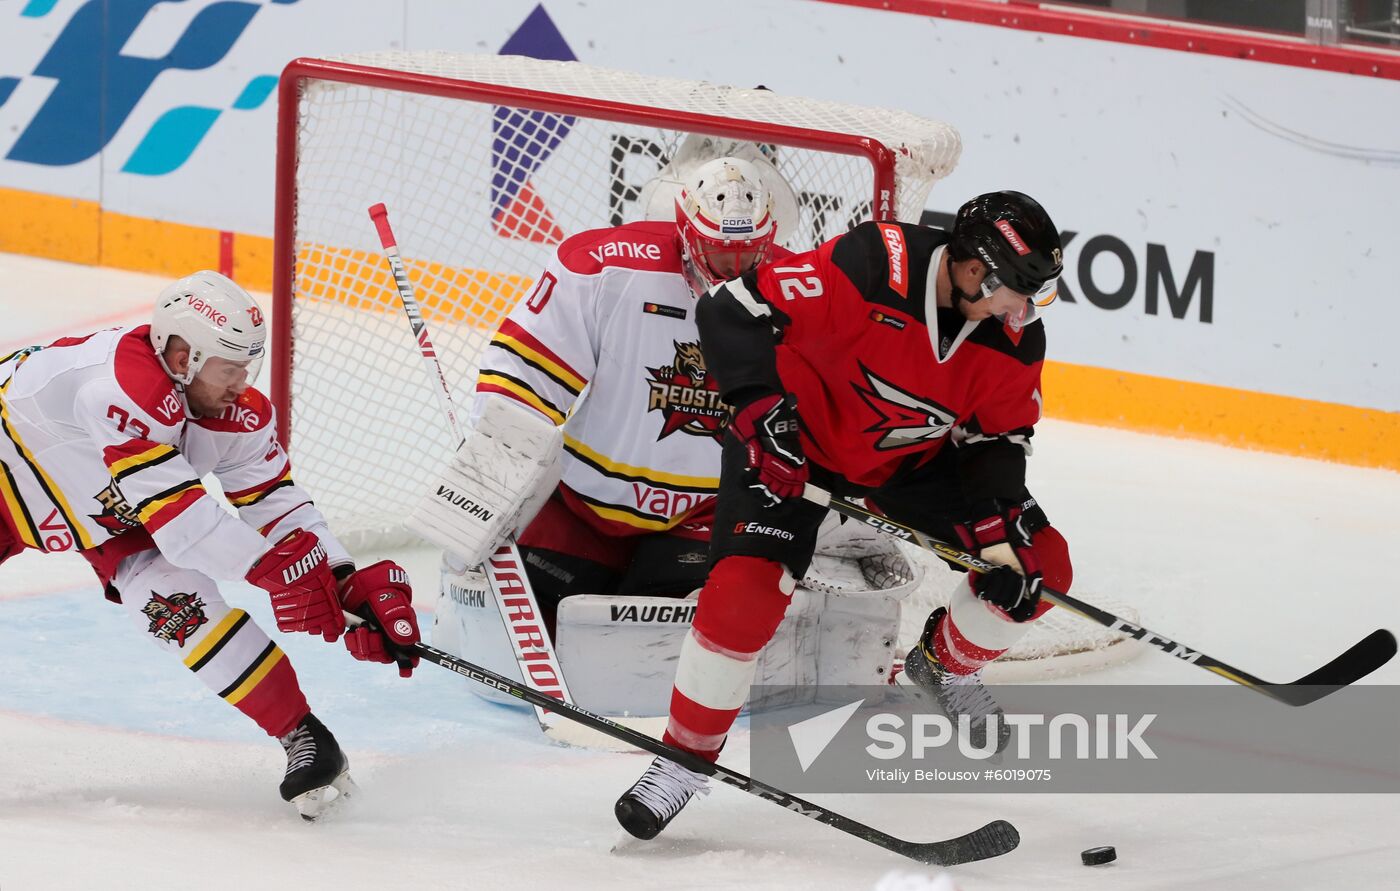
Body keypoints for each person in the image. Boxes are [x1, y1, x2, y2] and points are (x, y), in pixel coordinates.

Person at [613, 191, 1075, 840]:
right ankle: (682, 762)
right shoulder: (869, 264)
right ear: (974, 270)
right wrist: (758, 416)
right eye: (1016, 290)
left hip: (911, 463)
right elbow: (730, 310)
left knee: (1042, 567)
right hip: (793, 446)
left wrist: (998, 540)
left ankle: (942, 665)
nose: (1022, 310)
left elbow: (997, 442)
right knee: (742, 596)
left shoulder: (1016, 336)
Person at [0, 271, 422, 820]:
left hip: (107, 506)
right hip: (16, 475)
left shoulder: (238, 414)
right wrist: (275, 570)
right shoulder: (123, 388)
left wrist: (341, 577)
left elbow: (275, 500)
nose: (241, 384)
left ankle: (306, 738)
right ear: (182, 358)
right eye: (229, 368)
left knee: (175, 607)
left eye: (247, 366)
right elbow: (182, 521)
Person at [416, 156, 785, 645]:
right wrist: (498, 458)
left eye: (748, 254)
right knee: (521, 609)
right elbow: (527, 370)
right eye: (719, 255)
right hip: (581, 506)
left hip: (702, 516)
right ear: (684, 227)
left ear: (771, 236)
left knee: (648, 646)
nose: (732, 273)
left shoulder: (799, 290)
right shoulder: (605, 267)